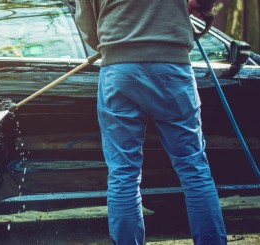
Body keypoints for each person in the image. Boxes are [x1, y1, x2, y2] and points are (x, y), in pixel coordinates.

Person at [75, 0, 227, 244]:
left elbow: (88, 26)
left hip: (119, 70)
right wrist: (202, 8)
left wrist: (117, 46)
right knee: (194, 169)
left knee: (123, 173)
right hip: (172, 66)